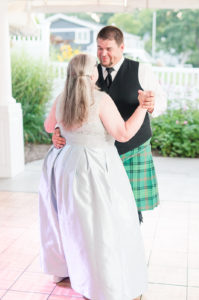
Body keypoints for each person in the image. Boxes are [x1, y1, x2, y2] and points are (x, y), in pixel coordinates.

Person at [39, 53, 148, 300]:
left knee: (73, 223)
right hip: (95, 168)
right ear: (93, 74)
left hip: (65, 166)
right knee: (103, 225)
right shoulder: (100, 100)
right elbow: (123, 134)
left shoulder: (62, 98)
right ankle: (104, 283)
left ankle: (70, 270)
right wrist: (142, 107)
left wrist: (58, 129)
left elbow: (48, 126)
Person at [52, 26, 167, 223]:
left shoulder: (141, 70)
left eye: (108, 49)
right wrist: (57, 129)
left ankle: (130, 247)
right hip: (98, 155)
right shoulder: (87, 72)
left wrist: (151, 104)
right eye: (99, 48)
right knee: (101, 210)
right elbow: (71, 106)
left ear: (122, 47)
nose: (103, 54)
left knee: (130, 210)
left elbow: (162, 101)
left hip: (133, 149)